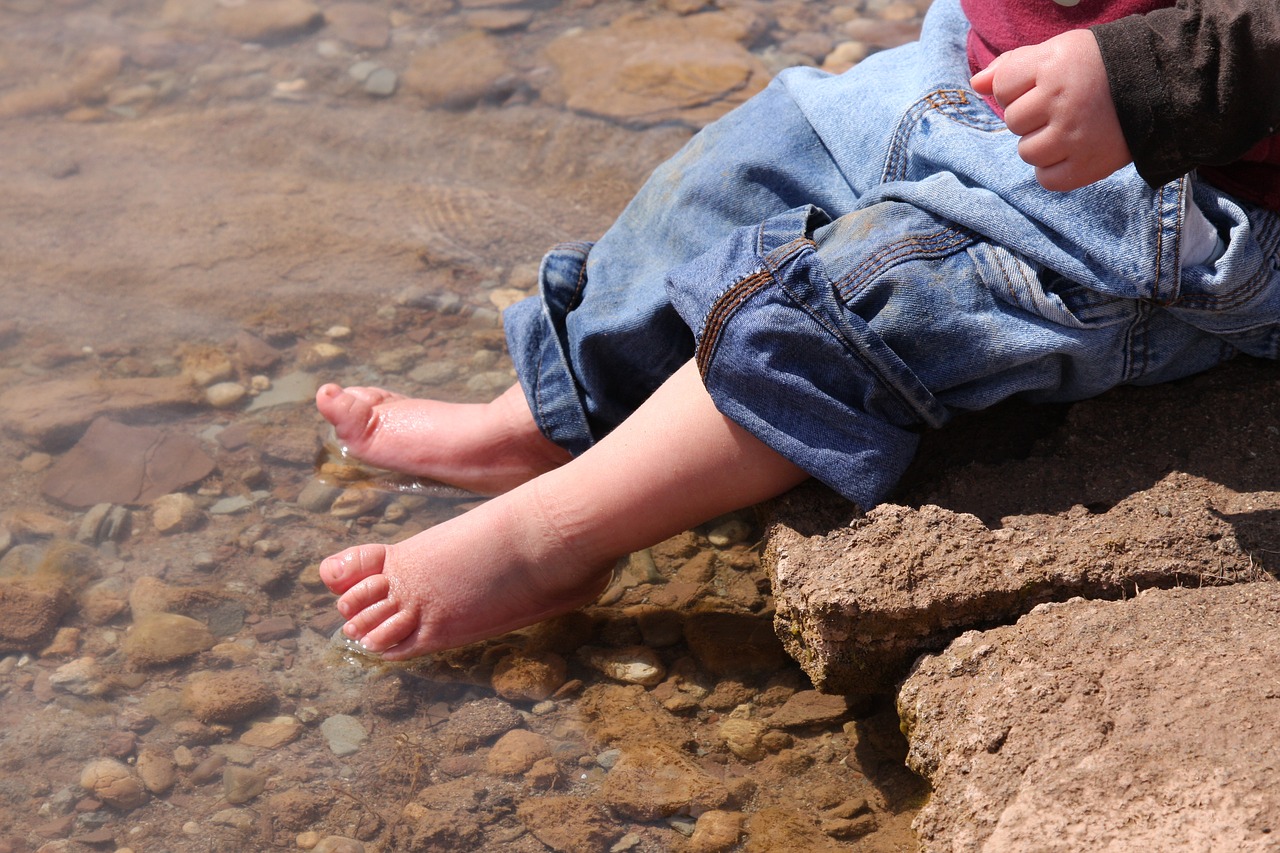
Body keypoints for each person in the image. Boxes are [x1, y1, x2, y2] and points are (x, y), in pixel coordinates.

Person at [316, 0, 1280, 661]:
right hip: (974, 71)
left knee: (877, 294)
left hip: (1189, 197)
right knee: (739, 170)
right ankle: (544, 416)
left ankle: (553, 539)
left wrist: (1155, 79)